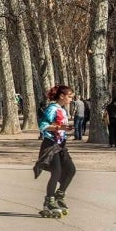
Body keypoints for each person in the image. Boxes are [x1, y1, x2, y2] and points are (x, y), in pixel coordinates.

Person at [33, 84, 76, 216]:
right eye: (69, 96)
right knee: (56, 172)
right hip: (51, 145)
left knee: (71, 170)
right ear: (62, 96)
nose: (71, 99)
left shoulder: (62, 110)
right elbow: (43, 125)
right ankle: (49, 201)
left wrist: (65, 128)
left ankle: (59, 196)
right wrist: (60, 128)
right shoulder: (52, 108)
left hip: (61, 145)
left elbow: (60, 126)